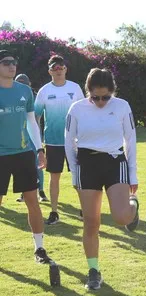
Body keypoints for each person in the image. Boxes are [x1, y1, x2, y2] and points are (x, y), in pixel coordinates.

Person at [65, 68, 139, 290]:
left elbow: (131, 139)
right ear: (88, 92)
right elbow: (69, 142)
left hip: (115, 162)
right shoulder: (77, 108)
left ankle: (133, 204)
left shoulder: (122, 106)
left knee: (121, 217)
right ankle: (93, 271)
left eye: (105, 97)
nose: (100, 101)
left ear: (112, 92)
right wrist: (75, 173)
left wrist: (133, 173)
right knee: (91, 223)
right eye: (95, 97)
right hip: (87, 164)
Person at [0, 49, 52, 263]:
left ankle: (39, 249)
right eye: (6, 62)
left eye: (14, 62)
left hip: (23, 154)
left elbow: (32, 122)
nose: (12, 66)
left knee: (33, 201)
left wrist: (39, 149)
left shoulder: (25, 91)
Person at [35, 55, 84, 225]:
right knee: (54, 177)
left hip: (74, 142)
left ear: (65, 69)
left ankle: (84, 209)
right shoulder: (44, 91)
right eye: (54, 67)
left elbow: (84, 113)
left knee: (78, 177)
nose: (58, 70)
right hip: (53, 142)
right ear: (49, 71)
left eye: (61, 67)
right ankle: (54, 212)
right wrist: (37, 140)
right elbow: (36, 116)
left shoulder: (75, 88)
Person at [15, 73, 48, 203]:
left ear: (29, 84)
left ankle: (41, 191)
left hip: (33, 135)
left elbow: (36, 118)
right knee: (22, 165)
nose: (22, 85)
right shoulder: (13, 95)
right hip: (19, 135)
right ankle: (24, 193)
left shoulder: (34, 96)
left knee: (37, 163)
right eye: (20, 82)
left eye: (24, 83)